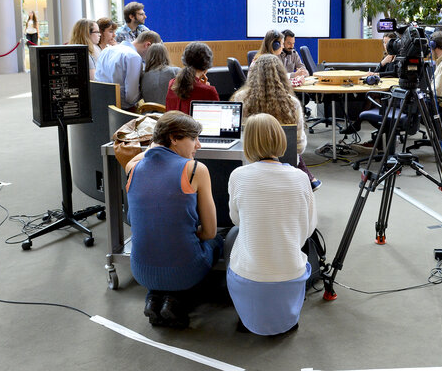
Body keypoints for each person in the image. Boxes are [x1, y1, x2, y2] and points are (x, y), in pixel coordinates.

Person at [125, 111, 223, 328]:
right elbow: (209, 232)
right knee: (218, 242)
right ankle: (175, 300)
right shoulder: (195, 170)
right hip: (185, 272)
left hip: (141, 270)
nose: (198, 145)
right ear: (175, 138)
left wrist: (156, 145)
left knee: (162, 245)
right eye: (194, 138)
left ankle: (155, 297)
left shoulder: (133, 168)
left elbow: (136, 158)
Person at [225, 113, 317, 336]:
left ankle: (247, 312)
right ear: (280, 138)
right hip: (290, 274)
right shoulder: (300, 177)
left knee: (234, 235)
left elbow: (236, 220)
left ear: (247, 143)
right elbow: (308, 229)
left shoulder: (238, 175)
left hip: (247, 276)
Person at [233, 54, 321, 191]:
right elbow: (299, 147)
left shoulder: (240, 99)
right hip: (286, 165)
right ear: (281, 74)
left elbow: (236, 138)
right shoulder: (292, 103)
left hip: (248, 162)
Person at [95, 30, 162, 110]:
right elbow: (131, 98)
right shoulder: (133, 57)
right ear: (147, 45)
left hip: (100, 106)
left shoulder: (106, 50)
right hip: (122, 112)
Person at [165, 42, 219, 114]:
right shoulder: (209, 91)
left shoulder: (172, 84)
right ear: (206, 67)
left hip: (171, 125)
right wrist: (206, 88)